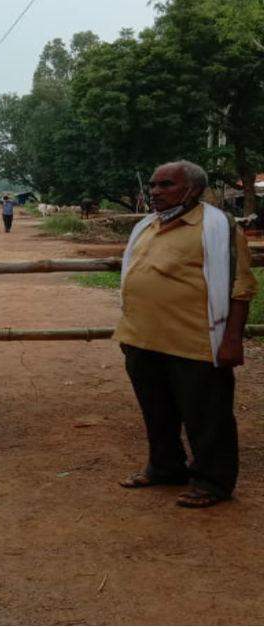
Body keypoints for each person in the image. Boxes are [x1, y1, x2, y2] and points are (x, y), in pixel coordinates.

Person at [115, 160, 256, 508]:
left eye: (166, 185)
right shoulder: (148, 226)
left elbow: (241, 288)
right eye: (153, 185)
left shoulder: (218, 228)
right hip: (141, 339)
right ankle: (165, 467)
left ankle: (213, 481)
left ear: (192, 189)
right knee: (157, 412)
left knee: (207, 417)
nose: (155, 192)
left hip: (195, 342)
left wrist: (232, 340)